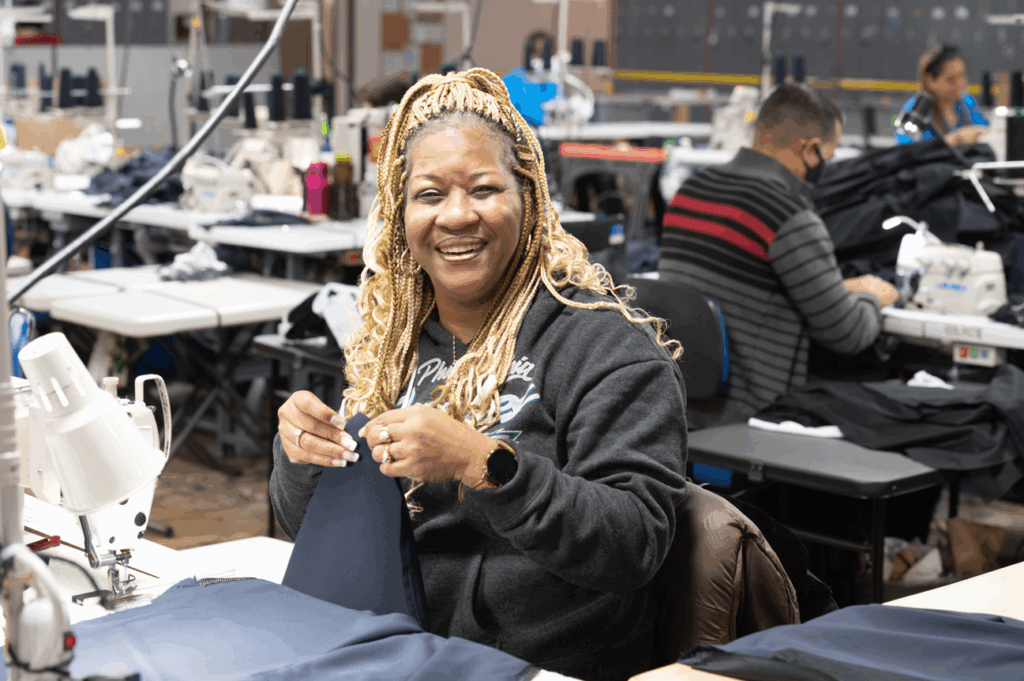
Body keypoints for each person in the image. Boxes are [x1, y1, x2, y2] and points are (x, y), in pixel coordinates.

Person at [271, 69, 689, 681]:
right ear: (400, 215)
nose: (457, 216)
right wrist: (301, 457)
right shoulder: (392, 343)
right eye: (430, 194)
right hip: (390, 647)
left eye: (484, 188)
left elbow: (635, 543)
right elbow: (303, 525)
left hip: (535, 664)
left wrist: (486, 466)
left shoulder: (607, 349)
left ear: (530, 198)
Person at [658, 83, 899, 430]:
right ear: (810, 150)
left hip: (676, 403)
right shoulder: (788, 216)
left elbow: (747, 286)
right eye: (827, 158)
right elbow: (848, 334)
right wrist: (871, 297)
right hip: (751, 417)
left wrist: (838, 289)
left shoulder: (690, 192)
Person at [896, 44, 988, 147]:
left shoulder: (967, 102)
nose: (960, 84)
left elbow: (986, 131)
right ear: (930, 81)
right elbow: (906, 151)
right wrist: (956, 139)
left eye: (962, 76)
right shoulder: (914, 108)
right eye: (951, 79)